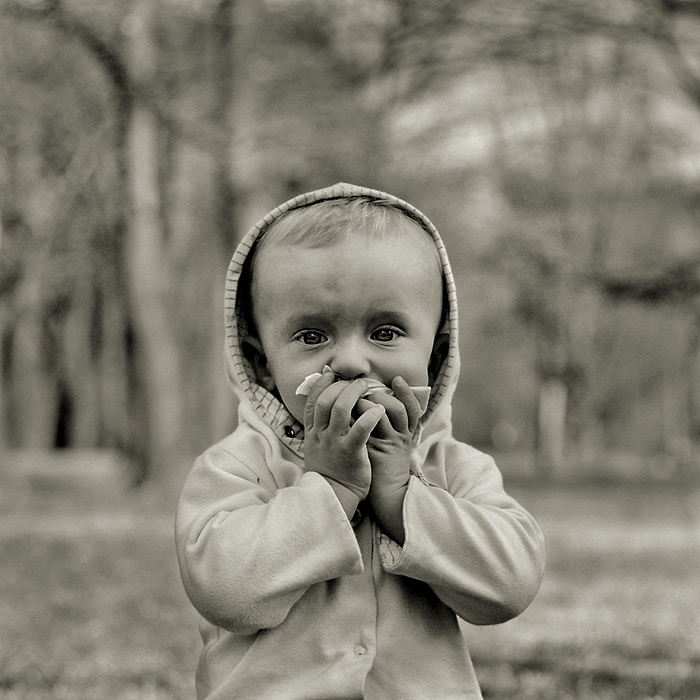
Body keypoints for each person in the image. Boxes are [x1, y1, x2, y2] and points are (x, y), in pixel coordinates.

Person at [175, 182, 545, 700]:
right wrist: (325, 490)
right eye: (311, 335)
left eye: (386, 332)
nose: (349, 361)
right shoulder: (237, 466)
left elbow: (510, 586)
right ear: (261, 362)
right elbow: (224, 594)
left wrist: (403, 500)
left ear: (435, 359)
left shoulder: (454, 467)